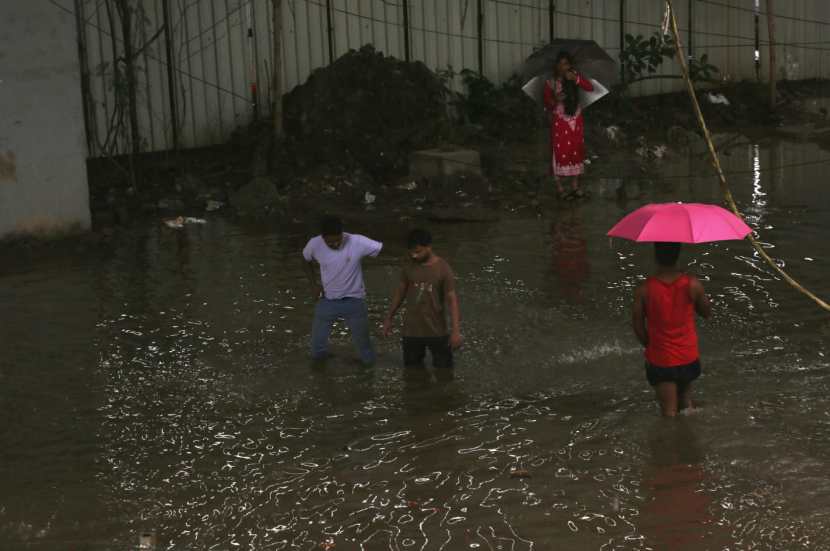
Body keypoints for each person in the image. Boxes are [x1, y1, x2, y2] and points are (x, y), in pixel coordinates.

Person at [632, 242, 711, 417]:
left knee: (668, 412)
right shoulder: (692, 284)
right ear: (678, 255)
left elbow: (637, 324)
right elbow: (706, 312)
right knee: (686, 405)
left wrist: (649, 344)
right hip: (688, 357)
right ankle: (689, 441)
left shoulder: (644, 289)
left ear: (655, 256)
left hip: (662, 359)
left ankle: (670, 442)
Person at [302, 215, 382, 365]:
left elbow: (381, 248)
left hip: (354, 302)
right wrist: (313, 284)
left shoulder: (357, 241)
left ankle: (367, 378)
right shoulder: (314, 244)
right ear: (323, 238)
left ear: (342, 234)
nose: (335, 244)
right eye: (330, 242)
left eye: (338, 240)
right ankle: (320, 376)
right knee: (316, 349)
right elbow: (305, 260)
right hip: (327, 301)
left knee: (365, 350)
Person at [382, 229, 461, 368]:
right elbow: (400, 291)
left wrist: (455, 331)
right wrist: (389, 318)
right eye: (411, 252)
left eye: (418, 251)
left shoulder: (443, 268)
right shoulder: (408, 264)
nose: (414, 255)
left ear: (429, 247)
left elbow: (452, 299)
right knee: (412, 371)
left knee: (445, 371)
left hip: (437, 331)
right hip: (411, 331)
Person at [543, 51, 594, 200]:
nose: (562, 66)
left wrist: (576, 79)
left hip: (576, 120)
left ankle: (575, 186)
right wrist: (555, 99)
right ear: (556, 66)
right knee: (560, 151)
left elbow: (589, 87)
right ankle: (560, 188)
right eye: (560, 64)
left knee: (576, 150)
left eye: (565, 63)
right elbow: (547, 102)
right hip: (560, 122)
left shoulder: (574, 77)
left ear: (570, 65)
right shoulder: (551, 83)